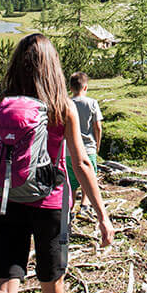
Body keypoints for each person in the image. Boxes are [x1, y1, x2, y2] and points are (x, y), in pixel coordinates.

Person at [0, 34, 114, 293]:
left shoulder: (0, 104)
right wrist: (102, 215)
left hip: (6, 201)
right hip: (50, 206)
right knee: (52, 282)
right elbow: (81, 164)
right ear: (52, 66)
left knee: (3, 289)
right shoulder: (62, 107)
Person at [64, 72, 103, 213]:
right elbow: (97, 126)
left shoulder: (66, 104)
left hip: (69, 149)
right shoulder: (92, 103)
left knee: (71, 181)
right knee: (89, 176)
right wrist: (97, 144)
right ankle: (85, 204)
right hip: (88, 148)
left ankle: (70, 207)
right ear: (85, 87)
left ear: (70, 87)